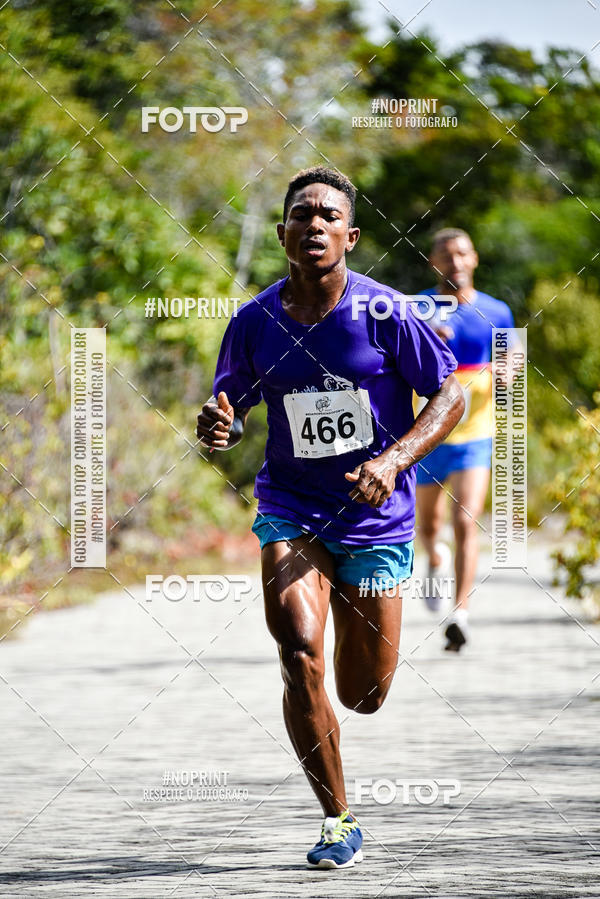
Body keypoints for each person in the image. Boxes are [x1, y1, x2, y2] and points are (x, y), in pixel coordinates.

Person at [196, 167, 464, 869]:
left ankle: (351, 705)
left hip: (375, 518)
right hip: (292, 509)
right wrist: (220, 425)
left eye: (329, 215)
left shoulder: (386, 312)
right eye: (301, 214)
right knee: (298, 653)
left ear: (351, 235)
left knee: (364, 694)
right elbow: (230, 406)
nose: (314, 223)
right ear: (282, 233)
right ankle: (337, 819)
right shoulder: (254, 322)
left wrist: (394, 459)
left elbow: (450, 395)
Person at [416, 228, 516, 651]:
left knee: (465, 521)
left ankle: (460, 613)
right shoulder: (418, 309)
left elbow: (510, 358)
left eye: (461, 253)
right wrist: (428, 346)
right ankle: (435, 556)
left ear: (474, 258)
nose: (454, 262)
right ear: (433, 262)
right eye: (445, 254)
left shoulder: (497, 311)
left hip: (475, 433)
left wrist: (509, 368)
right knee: (428, 526)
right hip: (427, 433)